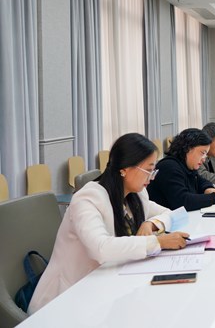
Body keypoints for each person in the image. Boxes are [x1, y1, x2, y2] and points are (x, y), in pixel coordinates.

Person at [29, 133, 188, 314]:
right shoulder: (88, 198)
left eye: (154, 171)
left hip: (109, 285)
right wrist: (157, 242)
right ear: (125, 169)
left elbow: (172, 214)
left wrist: (150, 224)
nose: (151, 178)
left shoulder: (136, 194)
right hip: (68, 299)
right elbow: (101, 248)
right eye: (148, 170)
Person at [147, 128, 215, 211]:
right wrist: (214, 198)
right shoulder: (169, 167)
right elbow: (182, 201)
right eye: (202, 153)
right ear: (188, 149)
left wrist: (208, 188)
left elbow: (200, 181)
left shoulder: (186, 165)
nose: (204, 159)